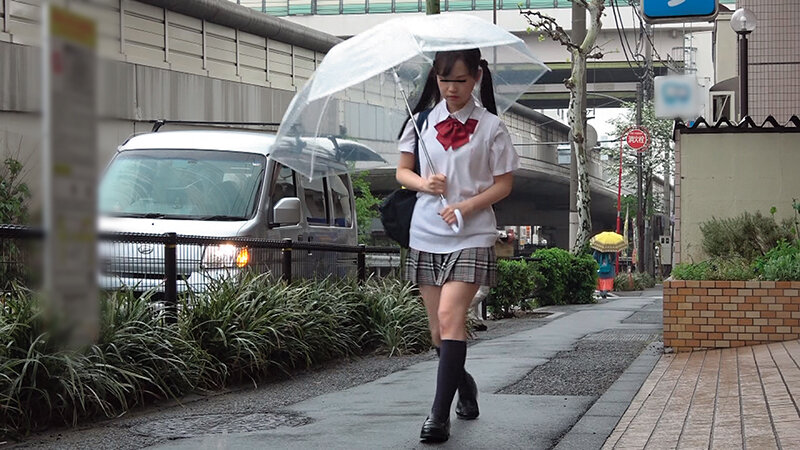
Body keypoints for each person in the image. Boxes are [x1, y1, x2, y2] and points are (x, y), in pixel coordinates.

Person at [395, 48, 518, 443]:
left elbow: (504, 184)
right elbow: (402, 172)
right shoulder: (419, 122)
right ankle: (464, 384)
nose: (452, 88)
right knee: (438, 331)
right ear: (436, 77)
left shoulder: (492, 127)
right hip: (426, 233)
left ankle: (438, 416)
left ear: (477, 77)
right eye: (445, 80)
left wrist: (465, 205)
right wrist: (424, 183)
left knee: (451, 317)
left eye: (461, 81)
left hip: (473, 234)